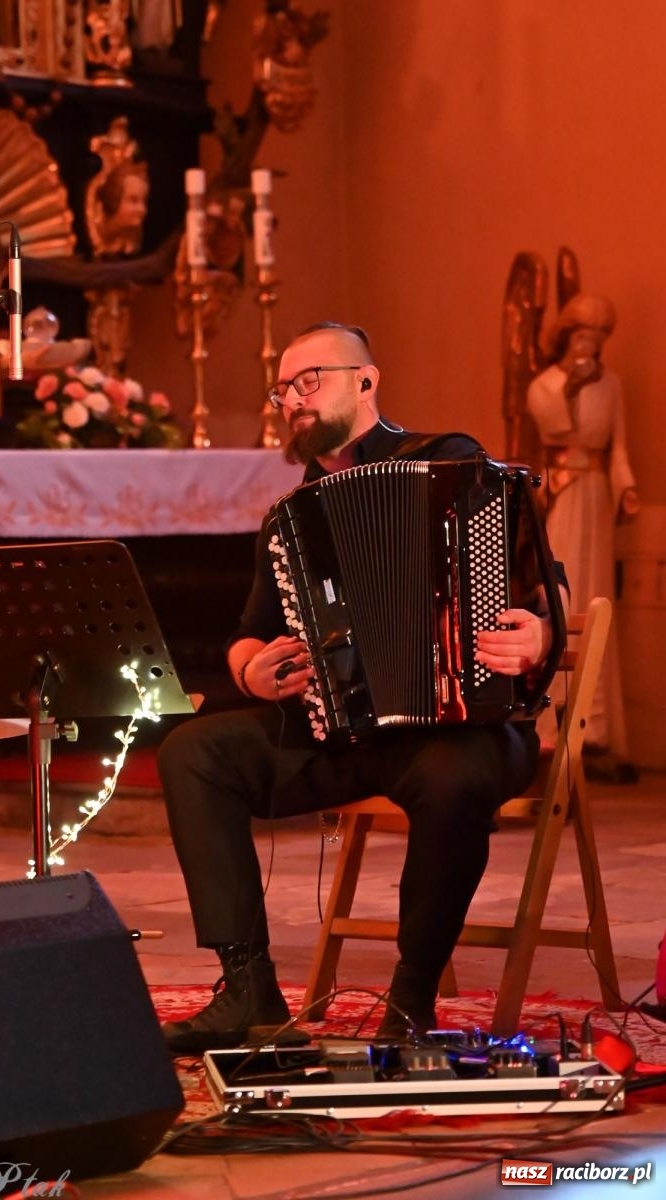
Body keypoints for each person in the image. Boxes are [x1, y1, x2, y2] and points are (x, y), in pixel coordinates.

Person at [157, 321, 568, 1054]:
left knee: (453, 779)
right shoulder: (292, 518)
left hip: (464, 726)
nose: (291, 400)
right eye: (283, 390)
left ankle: (410, 1000)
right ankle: (246, 986)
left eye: (307, 381)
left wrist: (537, 633)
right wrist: (255, 668)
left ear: (366, 381)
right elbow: (246, 636)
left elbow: (546, 586)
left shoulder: (454, 465)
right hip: (342, 731)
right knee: (193, 752)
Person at [526, 294, 637, 771]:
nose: (588, 344)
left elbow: (617, 448)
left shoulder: (611, 386)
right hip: (562, 494)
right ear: (566, 338)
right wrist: (571, 389)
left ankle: (598, 727)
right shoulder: (544, 385)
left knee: (598, 595)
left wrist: (626, 488)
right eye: (581, 336)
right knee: (561, 595)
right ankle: (550, 724)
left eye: (597, 338)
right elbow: (555, 432)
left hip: (595, 495)